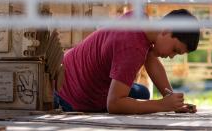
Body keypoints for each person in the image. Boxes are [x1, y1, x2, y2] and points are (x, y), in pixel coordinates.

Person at [54, 9, 201, 114]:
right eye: (175, 50)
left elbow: (151, 59)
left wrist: (170, 100)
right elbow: (114, 104)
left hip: (68, 69)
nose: (171, 56)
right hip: (70, 97)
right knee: (136, 100)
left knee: (142, 93)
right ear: (166, 30)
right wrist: (162, 105)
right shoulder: (132, 48)